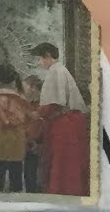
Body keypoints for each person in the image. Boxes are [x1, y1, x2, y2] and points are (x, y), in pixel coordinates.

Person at [31, 40, 91, 196]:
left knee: (63, 160)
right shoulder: (60, 70)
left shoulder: (56, 71)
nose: (39, 62)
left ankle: (63, 190)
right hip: (68, 121)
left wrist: (38, 113)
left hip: (65, 123)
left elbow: (55, 103)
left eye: (39, 58)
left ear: (47, 56)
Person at [0, 66, 32, 192]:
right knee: (16, 174)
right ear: (13, 79)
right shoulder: (21, 99)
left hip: (0, 138)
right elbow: (28, 119)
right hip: (18, 139)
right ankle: (16, 197)